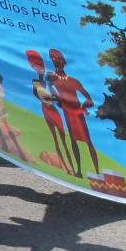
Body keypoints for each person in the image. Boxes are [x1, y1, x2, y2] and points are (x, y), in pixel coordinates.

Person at [48, 48, 98, 177]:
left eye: (58, 59)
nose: (56, 61)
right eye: (53, 58)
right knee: (73, 140)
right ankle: (79, 171)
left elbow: (89, 99)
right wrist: (57, 98)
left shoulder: (73, 81)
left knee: (88, 141)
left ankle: (97, 172)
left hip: (77, 114)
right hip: (68, 114)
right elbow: (53, 94)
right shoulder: (52, 78)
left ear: (64, 62)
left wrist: (83, 108)